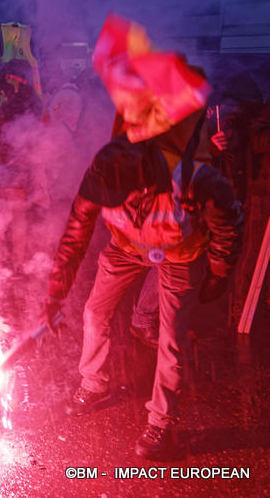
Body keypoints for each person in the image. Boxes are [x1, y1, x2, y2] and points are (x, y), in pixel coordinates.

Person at [45, 98, 243, 459]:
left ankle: (161, 423)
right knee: (94, 312)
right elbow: (75, 233)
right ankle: (95, 383)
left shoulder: (195, 179)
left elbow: (229, 224)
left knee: (171, 337)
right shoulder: (103, 173)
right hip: (125, 248)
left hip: (180, 253)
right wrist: (55, 293)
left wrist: (218, 272)